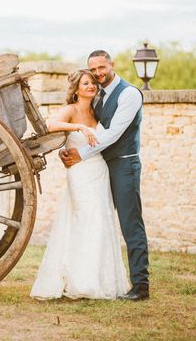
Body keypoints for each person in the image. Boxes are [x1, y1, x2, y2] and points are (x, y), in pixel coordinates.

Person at [30, 69, 129, 300]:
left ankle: (97, 280)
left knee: (101, 220)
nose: (91, 86)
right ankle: (81, 282)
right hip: (79, 173)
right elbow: (50, 124)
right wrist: (79, 127)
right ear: (76, 89)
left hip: (99, 171)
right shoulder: (71, 110)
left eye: (93, 83)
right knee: (85, 219)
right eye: (85, 83)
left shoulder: (97, 111)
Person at [60, 50, 149, 301]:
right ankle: (93, 277)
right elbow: (84, 129)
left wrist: (81, 155)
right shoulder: (98, 97)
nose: (98, 73)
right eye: (94, 69)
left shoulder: (129, 94)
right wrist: (68, 150)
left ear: (112, 65)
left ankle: (141, 285)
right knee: (97, 223)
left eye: (102, 67)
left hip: (124, 166)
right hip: (99, 169)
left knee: (130, 224)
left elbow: (112, 134)